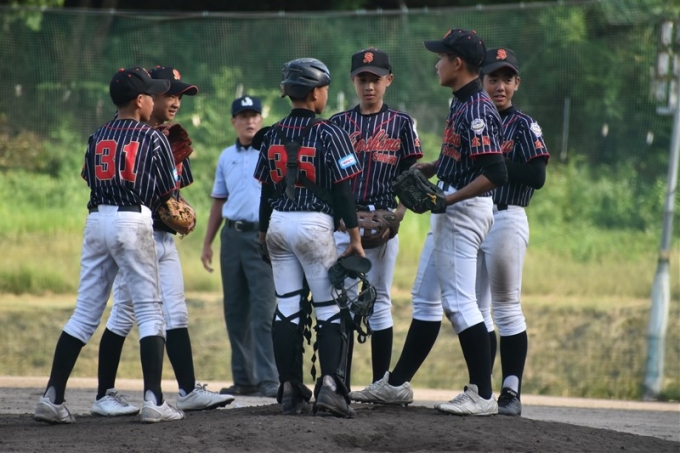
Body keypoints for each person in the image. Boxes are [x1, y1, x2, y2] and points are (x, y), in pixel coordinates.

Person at [346, 29, 509, 416]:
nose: (437, 64)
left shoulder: (476, 108)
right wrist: (435, 166)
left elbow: (496, 172)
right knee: (425, 298)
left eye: (442, 57)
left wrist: (449, 198)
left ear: (458, 63)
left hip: (463, 210)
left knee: (459, 303)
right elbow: (466, 156)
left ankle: (482, 394)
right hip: (452, 206)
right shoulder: (462, 101)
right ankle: (396, 384)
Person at [34, 67, 184, 424]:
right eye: (150, 95)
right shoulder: (153, 137)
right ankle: (154, 400)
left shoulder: (97, 135)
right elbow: (168, 194)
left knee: (85, 313)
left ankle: (52, 397)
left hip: (96, 221)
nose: (154, 100)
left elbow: (90, 177)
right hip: (133, 221)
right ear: (140, 100)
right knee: (150, 311)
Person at [90, 66, 234, 418]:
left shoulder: (169, 137)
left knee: (176, 311)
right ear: (146, 98)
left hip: (163, 239)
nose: (176, 102)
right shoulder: (122, 133)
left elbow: (174, 193)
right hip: (135, 236)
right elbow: (98, 180)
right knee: (124, 314)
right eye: (169, 95)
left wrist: (180, 209)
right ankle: (105, 394)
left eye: (179, 96)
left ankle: (187, 390)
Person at [254, 58, 365, 418]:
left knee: (287, 307)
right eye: (325, 89)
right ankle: (330, 388)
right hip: (314, 226)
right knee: (329, 308)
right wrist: (355, 238)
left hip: (277, 224)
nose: (326, 95)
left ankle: (289, 389)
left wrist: (262, 233)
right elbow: (344, 191)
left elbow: (266, 191)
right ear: (315, 93)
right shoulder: (330, 132)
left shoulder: (272, 133)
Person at [328, 47, 422, 390]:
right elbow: (328, 178)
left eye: (376, 79)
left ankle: (380, 383)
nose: (369, 86)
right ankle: (339, 383)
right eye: (363, 79)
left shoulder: (401, 123)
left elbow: (412, 174)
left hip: (383, 223)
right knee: (342, 301)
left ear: (388, 80)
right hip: (344, 224)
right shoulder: (338, 124)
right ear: (353, 81)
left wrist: (398, 215)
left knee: (379, 300)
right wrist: (338, 218)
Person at [477, 47, 549, 416]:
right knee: (475, 309)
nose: (500, 86)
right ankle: (481, 388)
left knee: (506, 307)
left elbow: (537, 176)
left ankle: (511, 391)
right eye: (493, 78)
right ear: (481, 81)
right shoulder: (471, 119)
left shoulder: (523, 124)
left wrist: (496, 163)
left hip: (506, 216)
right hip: (471, 218)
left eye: (507, 79)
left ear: (517, 83)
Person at [201, 95, 279, 399]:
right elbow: (219, 201)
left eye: (254, 115)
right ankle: (244, 379)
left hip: (261, 238)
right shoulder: (226, 157)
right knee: (235, 310)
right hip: (232, 237)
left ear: (261, 119)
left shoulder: (270, 153)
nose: (249, 121)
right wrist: (207, 242)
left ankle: (269, 379)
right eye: (243, 116)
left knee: (263, 311)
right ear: (234, 121)